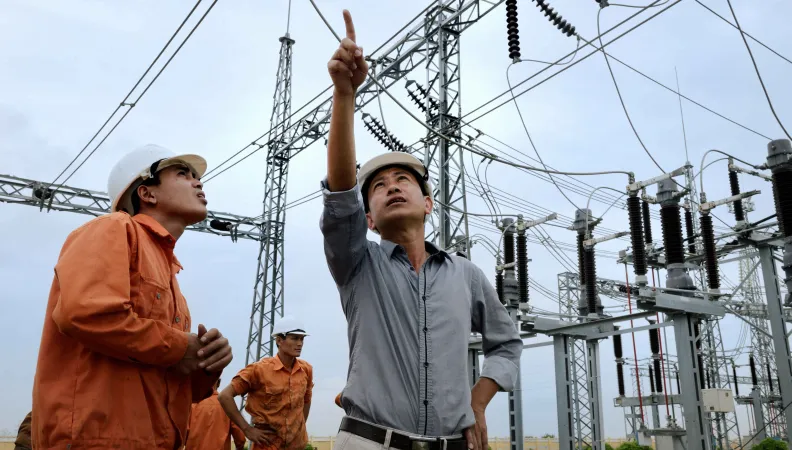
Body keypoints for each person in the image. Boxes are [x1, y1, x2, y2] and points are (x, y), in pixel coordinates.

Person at [320, 10, 523, 450]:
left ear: (428, 204)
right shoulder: (357, 264)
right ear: (368, 218)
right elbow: (339, 195)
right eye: (377, 187)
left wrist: (479, 400)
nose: (391, 187)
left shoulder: (465, 275)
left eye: (403, 181)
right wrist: (344, 97)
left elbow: (506, 345)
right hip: (369, 442)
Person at [32, 144, 234, 449]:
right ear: (147, 193)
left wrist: (206, 364)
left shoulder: (169, 272)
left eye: (196, 176)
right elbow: (85, 313)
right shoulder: (113, 229)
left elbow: (174, 383)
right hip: (97, 439)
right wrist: (182, 347)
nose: (198, 182)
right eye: (183, 173)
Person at [219, 316, 314, 450]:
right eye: (294, 338)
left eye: (301, 339)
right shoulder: (258, 370)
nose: (300, 343)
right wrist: (247, 429)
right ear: (279, 340)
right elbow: (224, 396)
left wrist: (298, 428)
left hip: (296, 446)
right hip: (267, 446)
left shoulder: (306, 370)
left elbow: (306, 400)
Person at [185, 378, 247, 450]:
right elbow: (240, 438)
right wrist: (240, 447)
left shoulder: (192, 404)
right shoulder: (227, 405)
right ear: (219, 383)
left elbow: (183, 434)